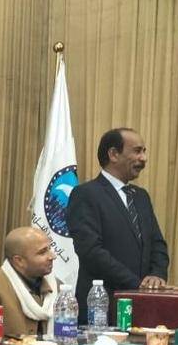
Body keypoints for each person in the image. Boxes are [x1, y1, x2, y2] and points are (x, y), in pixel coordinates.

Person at [67, 128, 169, 322]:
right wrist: (136, 284)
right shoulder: (86, 194)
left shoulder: (141, 197)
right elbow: (90, 251)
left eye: (144, 151)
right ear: (113, 154)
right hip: (102, 307)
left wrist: (156, 275)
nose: (144, 158)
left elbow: (157, 244)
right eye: (137, 151)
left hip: (142, 306)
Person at [0, 226, 58, 338]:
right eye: (42, 252)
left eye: (49, 249)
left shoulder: (57, 286)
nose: (52, 256)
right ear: (19, 261)